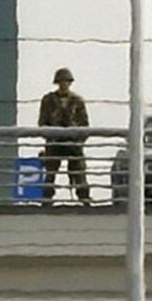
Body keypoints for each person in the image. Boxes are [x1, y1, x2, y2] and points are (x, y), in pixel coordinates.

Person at [38, 68, 91, 202]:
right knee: (50, 172)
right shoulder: (48, 100)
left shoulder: (77, 101)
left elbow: (84, 124)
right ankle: (47, 198)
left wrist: (78, 139)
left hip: (73, 142)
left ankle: (84, 197)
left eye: (66, 81)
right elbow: (42, 122)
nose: (64, 84)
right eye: (61, 81)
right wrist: (50, 135)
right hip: (55, 141)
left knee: (79, 171)